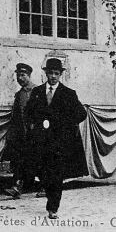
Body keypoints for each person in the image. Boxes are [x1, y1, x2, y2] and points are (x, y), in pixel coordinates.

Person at [24, 58, 87, 219]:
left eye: (56, 73)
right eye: (50, 73)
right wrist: (33, 125)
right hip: (41, 141)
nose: (53, 76)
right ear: (45, 73)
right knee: (44, 174)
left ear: (61, 75)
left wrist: (65, 125)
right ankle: (48, 192)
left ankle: (53, 207)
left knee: (57, 175)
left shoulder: (68, 94)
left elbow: (81, 114)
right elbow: (28, 113)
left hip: (59, 143)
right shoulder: (37, 92)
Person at [4, 63, 36, 199]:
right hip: (22, 134)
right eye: (18, 75)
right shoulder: (19, 94)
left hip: (36, 133)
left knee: (39, 160)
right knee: (19, 159)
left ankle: (46, 188)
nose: (20, 78)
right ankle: (16, 187)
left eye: (23, 75)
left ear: (29, 76)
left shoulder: (37, 91)